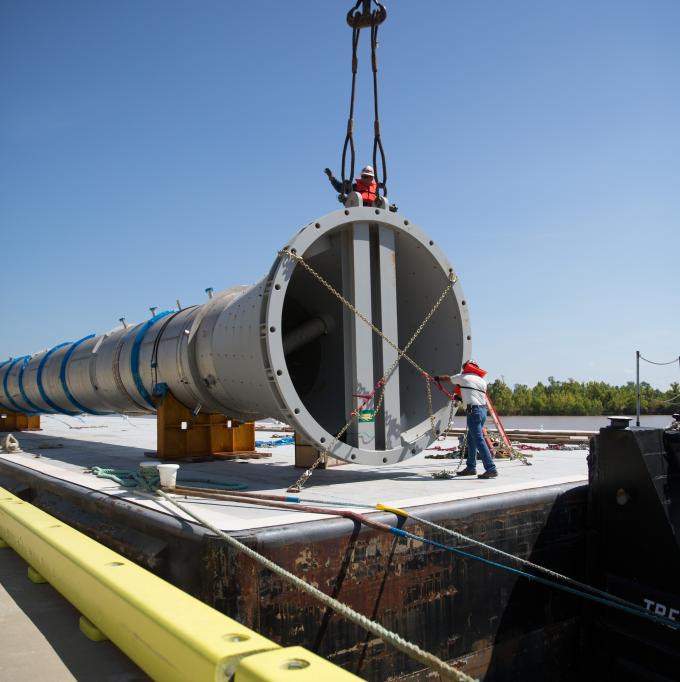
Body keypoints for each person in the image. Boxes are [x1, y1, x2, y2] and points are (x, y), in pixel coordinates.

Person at [436, 361, 498, 479]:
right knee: (471, 440)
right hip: (483, 411)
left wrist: (437, 378)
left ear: (465, 368)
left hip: (473, 412)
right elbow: (469, 393)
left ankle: (491, 468)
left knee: (479, 440)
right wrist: (458, 398)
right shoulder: (482, 381)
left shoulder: (463, 377)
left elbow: (448, 379)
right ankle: (471, 467)